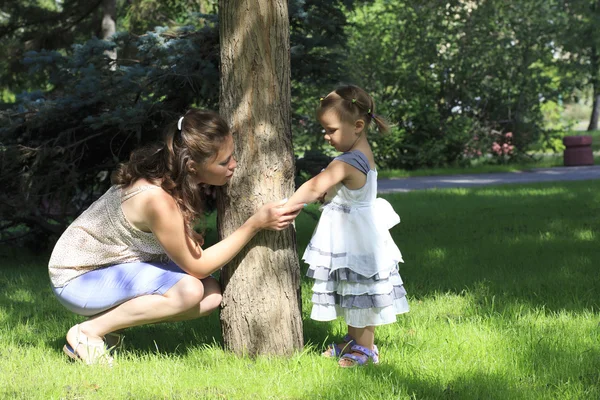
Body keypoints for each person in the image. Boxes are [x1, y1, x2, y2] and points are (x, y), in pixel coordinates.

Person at [48, 109, 304, 365]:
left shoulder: (165, 173)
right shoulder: (156, 199)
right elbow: (199, 265)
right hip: (77, 278)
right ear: (192, 165)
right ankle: (87, 333)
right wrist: (254, 225)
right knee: (189, 291)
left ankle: (108, 327)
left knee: (211, 294)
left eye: (232, 156)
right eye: (224, 162)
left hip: (110, 267)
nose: (234, 165)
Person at [286, 85, 409, 367]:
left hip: (358, 239)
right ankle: (353, 341)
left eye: (331, 130)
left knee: (362, 292)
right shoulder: (360, 153)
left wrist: (287, 205)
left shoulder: (348, 161)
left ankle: (366, 349)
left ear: (357, 125)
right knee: (352, 289)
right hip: (353, 235)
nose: (326, 137)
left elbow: (316, 185)